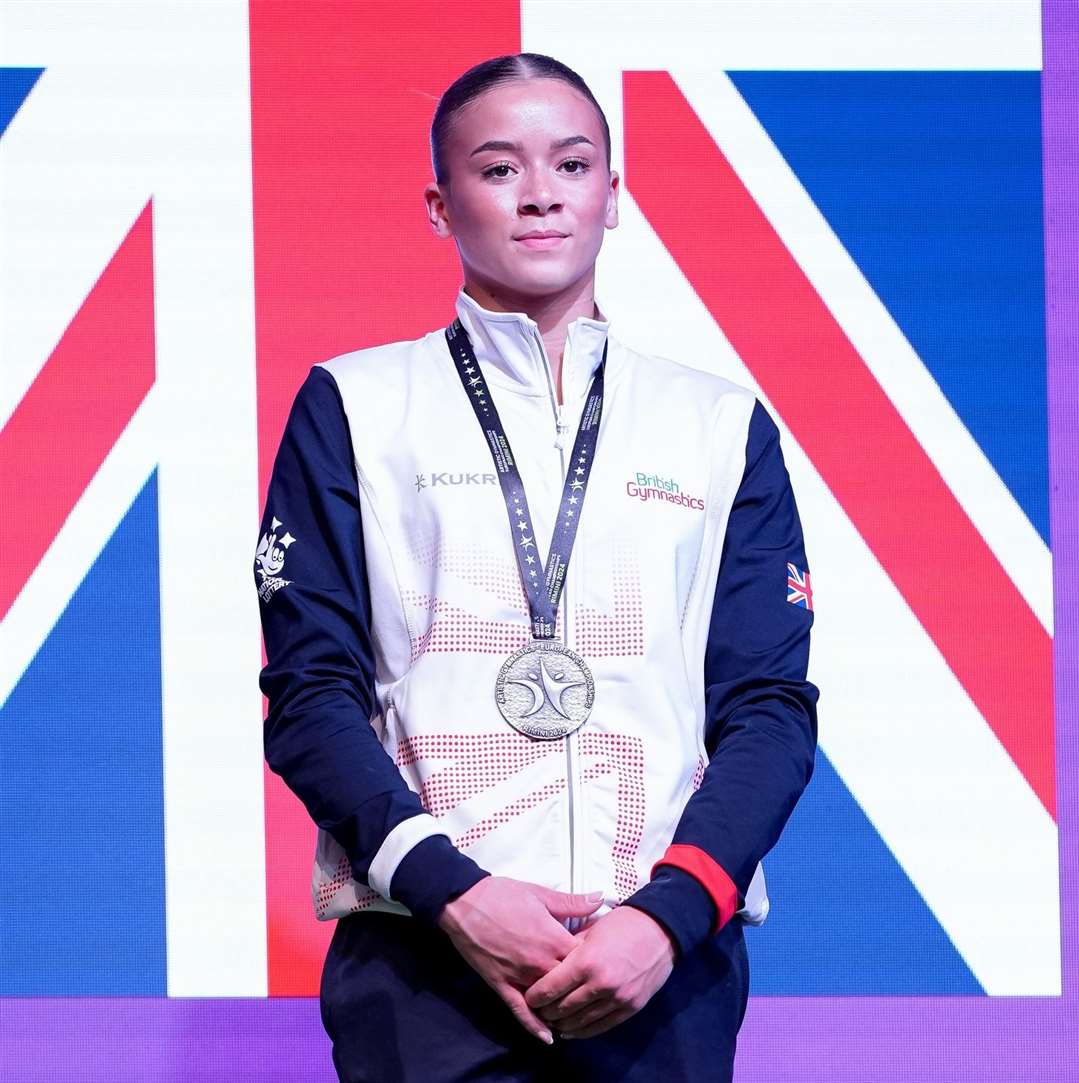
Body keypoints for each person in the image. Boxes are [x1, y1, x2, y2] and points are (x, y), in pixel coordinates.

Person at [254, 51, 819, 1083]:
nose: (542, 195)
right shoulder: (356, 406)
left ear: (615, 196)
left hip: (658, 963)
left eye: (572, 164)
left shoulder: (717, 425)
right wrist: (454, 891)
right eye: (499, 169)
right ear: (440, 203)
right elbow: (307, 694)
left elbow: (769, 707)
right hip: (424, 959)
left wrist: (671, 914)